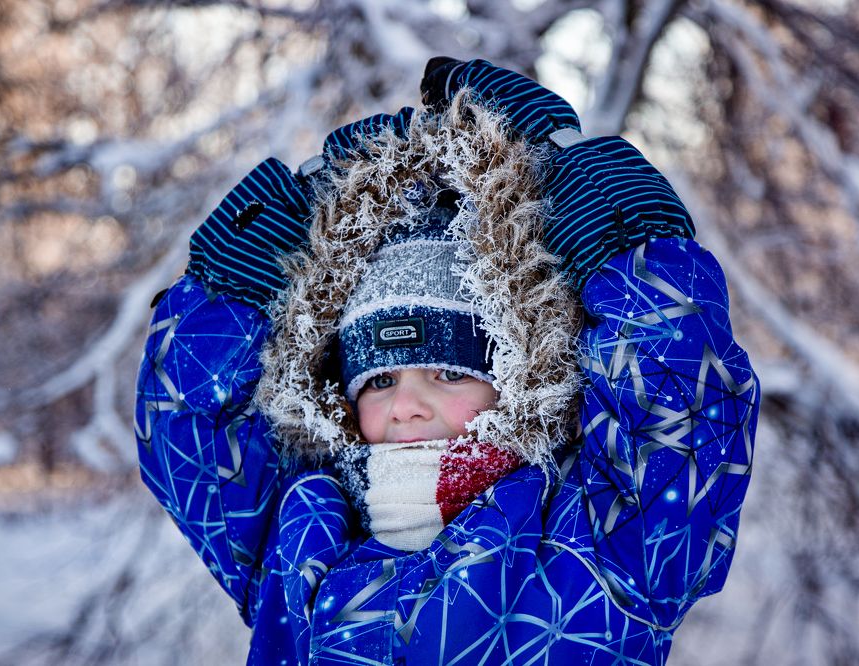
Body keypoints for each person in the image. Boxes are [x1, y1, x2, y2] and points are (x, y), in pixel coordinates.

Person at [135, 58, 760, 664]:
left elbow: (683, 411)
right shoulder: (302, 536)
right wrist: (241, 276)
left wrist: (617, 231)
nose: (406, 406)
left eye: (450, 371)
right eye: (378, 379)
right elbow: (188, 430)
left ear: (518, 377)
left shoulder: (603, 541)